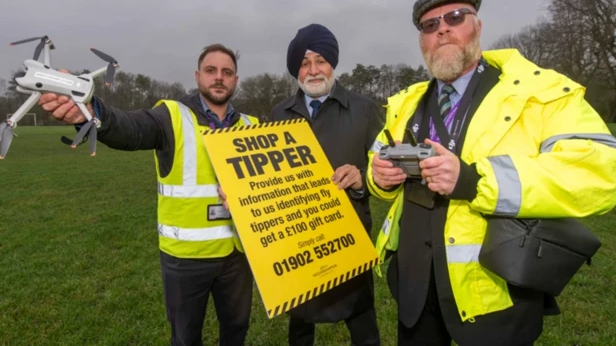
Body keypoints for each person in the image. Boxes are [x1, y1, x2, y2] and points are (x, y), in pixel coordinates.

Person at [366, 1, 616, 345]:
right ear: (422, 41)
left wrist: (475, 181)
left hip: (493, 288)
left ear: (478, 26)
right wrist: (378, 178)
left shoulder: (538, 92)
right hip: (414, 285)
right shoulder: (404, 103)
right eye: (429, 25)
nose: (442, 29)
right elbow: (376, 160)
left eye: (455, 17)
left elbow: (600, 171)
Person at [37, 44, 259, 346]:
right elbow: (129, 129)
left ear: (235, 80)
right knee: (185, 338)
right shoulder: (170, 115)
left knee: (236, 330)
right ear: (197, 76)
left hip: (238, 256)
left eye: (227, 73)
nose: (219, 78)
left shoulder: (252, 126)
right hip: (185, 258)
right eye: (211, 71)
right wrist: (90, 111)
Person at [271, 23, 384, 346]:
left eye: (320, 60)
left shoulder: (365, 109)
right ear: (296, 70)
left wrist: (362, 177)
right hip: (300, 239)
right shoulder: (279, 113)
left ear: (332, 64)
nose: (313, 70)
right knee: (301, 321)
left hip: (350, 234)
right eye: (304, 63)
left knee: (362, 320)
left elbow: (383, 167)